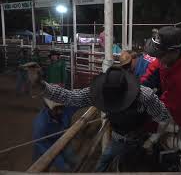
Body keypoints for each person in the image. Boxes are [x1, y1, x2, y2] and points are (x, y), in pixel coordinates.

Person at [24, 64, 171, 172]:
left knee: (128, 166)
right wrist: (42, 86)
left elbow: (163, 116)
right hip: (117, 137)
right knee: (105, 161)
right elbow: (70, 96)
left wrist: (152, 140)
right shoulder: (98, 92)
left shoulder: (145, 95)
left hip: (140, 140)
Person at [32, 98, 78, 171]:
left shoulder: (66, 110)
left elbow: (78, 103)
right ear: (48, 108)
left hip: (62, 140)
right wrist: (62, 165)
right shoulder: (41, 124)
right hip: (46, 146)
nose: (60, 111)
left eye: (61, 107)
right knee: (44, 167)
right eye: (56, 109)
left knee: (73, 160)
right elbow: (47, 151)